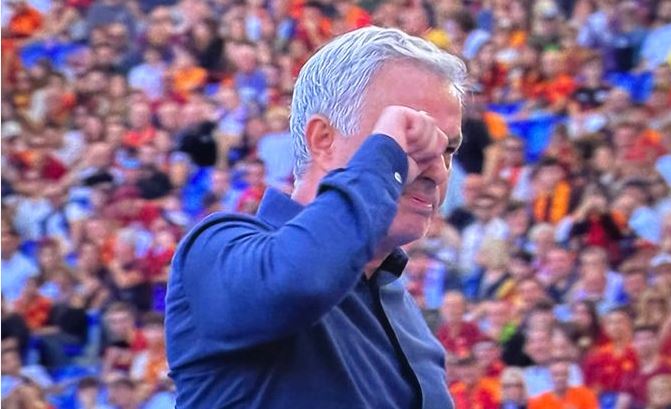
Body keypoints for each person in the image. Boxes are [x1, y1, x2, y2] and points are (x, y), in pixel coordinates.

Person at [165, 26, 466, 408]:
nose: (437, 170)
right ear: (323, 139)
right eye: (412, 139)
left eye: (447, 149)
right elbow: (298, 280)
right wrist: (386, 159)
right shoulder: (218, 250)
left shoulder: (406, 316)